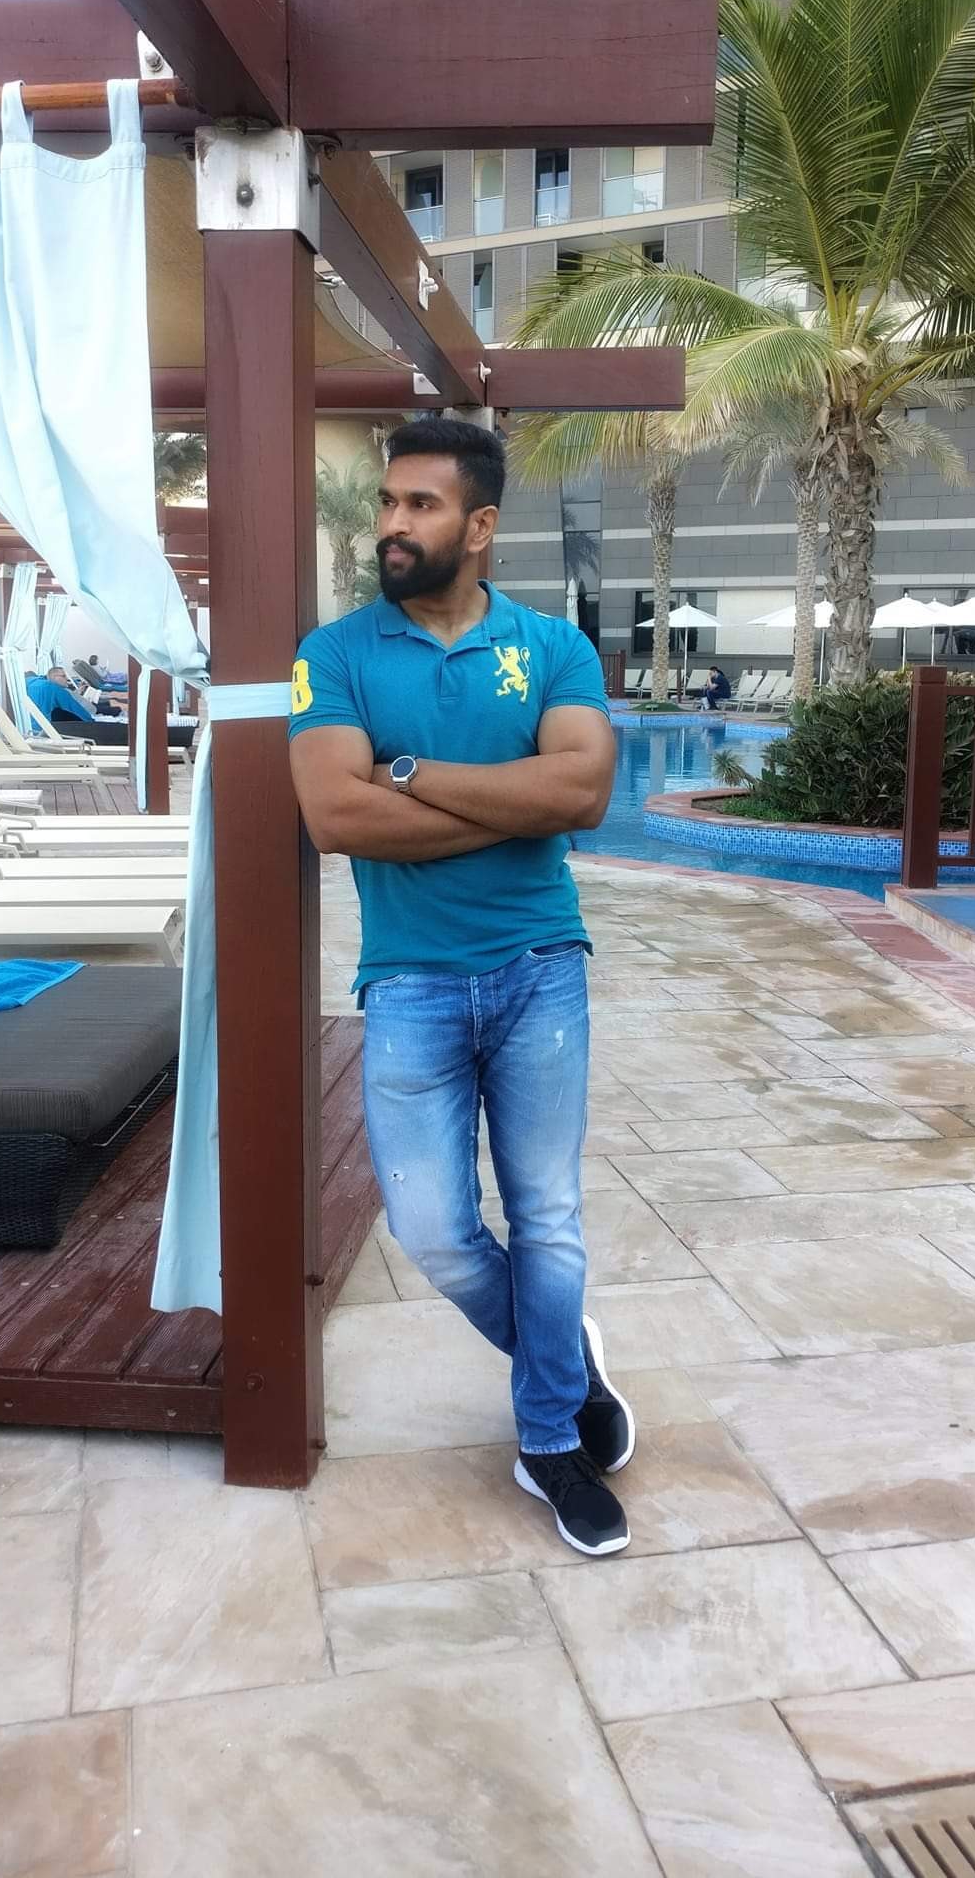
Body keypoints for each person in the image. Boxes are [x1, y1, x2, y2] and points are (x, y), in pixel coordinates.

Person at [289, 417, 636, 1558]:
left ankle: (550, 1438)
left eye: (420, 505)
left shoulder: (552, 646)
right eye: (388, 502)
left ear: (479, 525)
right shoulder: (334, 652)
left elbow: (582, 793)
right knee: (433, 1230)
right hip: (408, 982)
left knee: (547, 1218)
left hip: (541, 967)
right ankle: (564, 1358)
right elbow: (333, 815)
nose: (391, 523)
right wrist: (512, 797)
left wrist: (406, 772)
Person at [25, 665, 97, 731]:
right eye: (64, 676)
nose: (67, 679)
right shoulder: (52, 687)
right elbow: (75, 709)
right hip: (46, 731)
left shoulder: (27, 687)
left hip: (30, 730)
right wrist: (92, 723)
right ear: (54, 677)